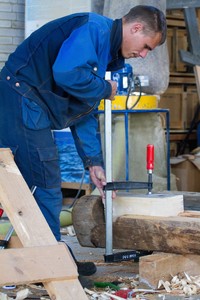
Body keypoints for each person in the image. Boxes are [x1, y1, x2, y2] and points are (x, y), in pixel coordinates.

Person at [0, 5, 166, 278]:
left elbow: (83, 109)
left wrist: (93, 163)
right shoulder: (93, 29)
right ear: (136, 28)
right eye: (147, 46)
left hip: (26, 103)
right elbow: (66, 73)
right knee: (44, 183)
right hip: (20, 99)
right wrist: (104, 88)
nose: (144, 54)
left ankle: (49, 256)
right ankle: (51, 264)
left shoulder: (107, 55)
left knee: (21, 183)